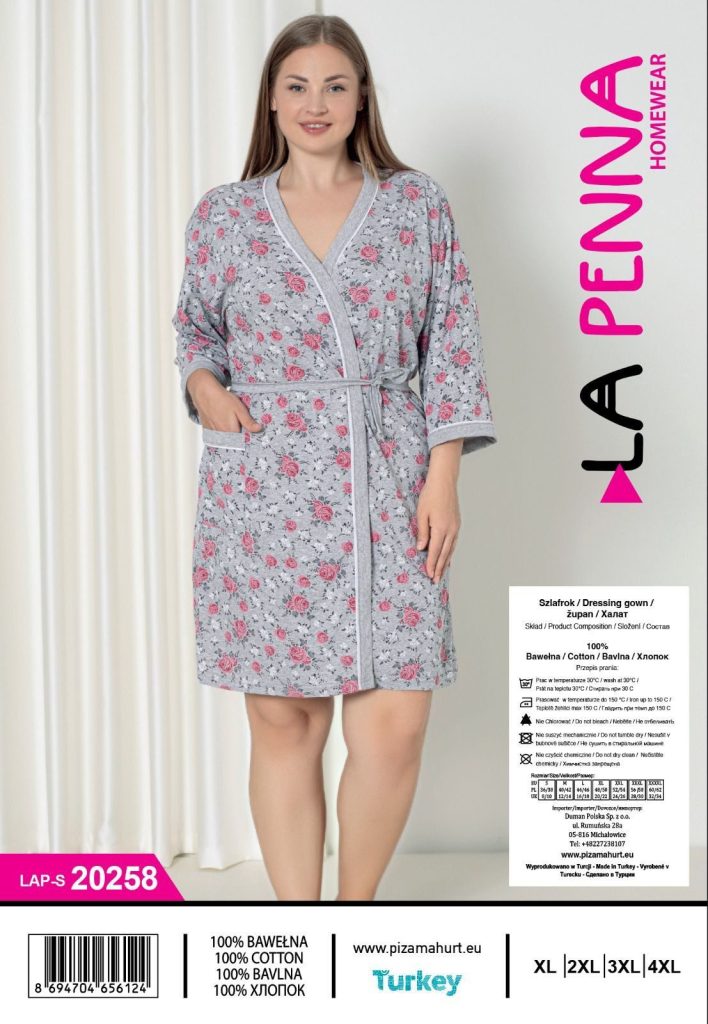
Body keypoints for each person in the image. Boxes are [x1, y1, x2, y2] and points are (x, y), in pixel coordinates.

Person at [172, 14, 498, 902]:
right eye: (297, 85)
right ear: (272, 100)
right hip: (264, 482)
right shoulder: (225, 215)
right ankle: (302, 930)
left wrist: (444, 476)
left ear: (362, 100)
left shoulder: (416, 205)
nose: (315, 103)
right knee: (287, 721)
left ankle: (352, 919)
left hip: (390, 476)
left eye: (335, 85)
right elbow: (195, 326)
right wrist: (204, 385)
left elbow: (452, 342)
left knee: (394, 725)